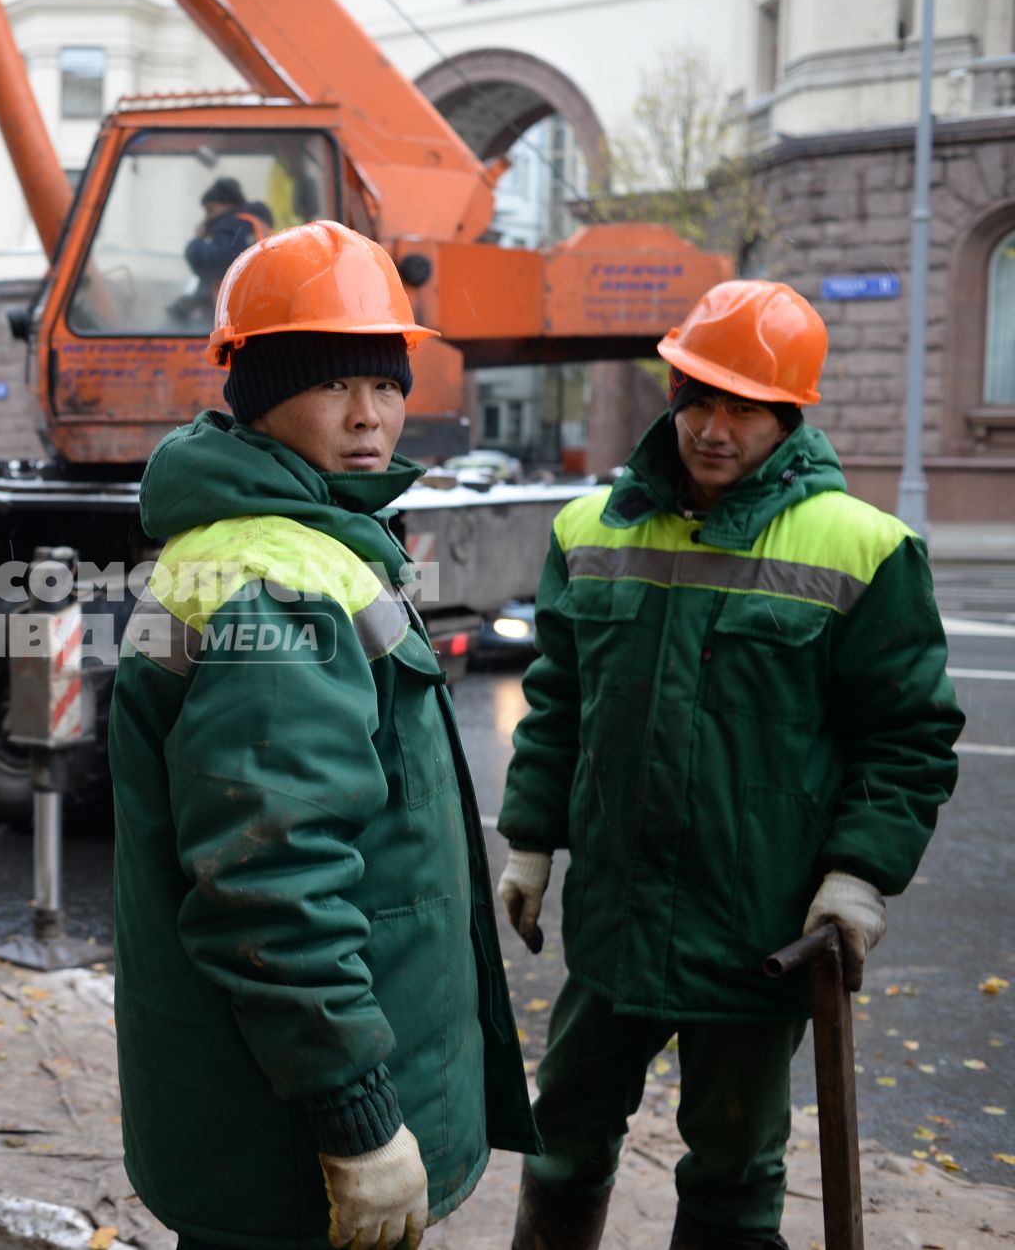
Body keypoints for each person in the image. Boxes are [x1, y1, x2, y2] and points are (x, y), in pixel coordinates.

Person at [495, 280, 965, 1250]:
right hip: (616, 922)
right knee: (563, 1142)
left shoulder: (867, 551)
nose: (712, 428)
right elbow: (559, 702)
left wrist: (858, 876)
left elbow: (908, 738)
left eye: (743, 406)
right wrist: (531, 840)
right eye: (697, 399)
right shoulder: (591, 532)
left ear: (788, 414)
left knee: (733, 1176)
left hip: (757, 933)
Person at [109, 220, 538, 1250]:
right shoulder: (276, 580)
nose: (370, 415)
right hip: (291, 1136)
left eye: (387, 383)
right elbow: (272, 881)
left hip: (258, 1107)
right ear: (259, 396)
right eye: (331, 382)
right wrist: (357, 1120)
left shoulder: (291, 544)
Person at [170, 177, 274, 325]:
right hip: (252, 309)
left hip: (235, 315)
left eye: (210, 210)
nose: (207, 218)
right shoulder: (253, 224)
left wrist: (195, 243)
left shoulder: (237, 225)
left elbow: (215, 262)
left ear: (227, 205)